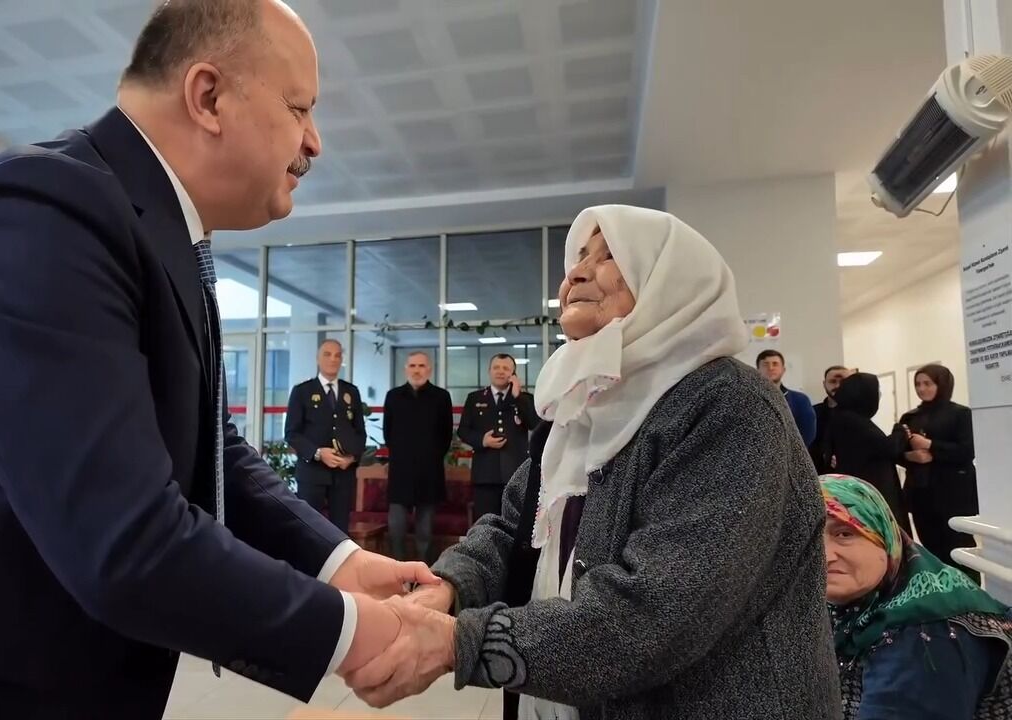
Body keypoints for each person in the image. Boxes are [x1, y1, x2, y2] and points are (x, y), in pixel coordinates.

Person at [0, 2, 435, 717]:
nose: (314, 141)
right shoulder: (39, 210)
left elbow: (208, 450)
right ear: (209, 97)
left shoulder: (148, 230)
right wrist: (352, 633)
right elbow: (122, 537)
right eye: (299, 108)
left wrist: (342, 565)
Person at [341, 205, 841, 719]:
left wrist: (458, 641)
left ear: (666, 282)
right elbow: (514, 527)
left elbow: (655, 614)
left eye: (608, 257)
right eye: (579, 256)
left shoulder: (729, 407)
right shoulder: (586, 404)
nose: (575, 272)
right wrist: (448, 586)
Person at [820, 474, 1012, 719]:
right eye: (812, 538)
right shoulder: (863, 599)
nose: (825, 556)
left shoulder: (925, 634)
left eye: (844, 534)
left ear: (885, 538)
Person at [894, 364, 980, 580]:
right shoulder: (910, 417)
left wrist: (931, 445)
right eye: (917, 384)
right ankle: (941, 594)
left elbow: (967, 451)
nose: (921, 389)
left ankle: (970, 598)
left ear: (942, 384)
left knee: (959, 547)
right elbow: (895, 451)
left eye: (927, 383)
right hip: (922, 493)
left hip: (954, 495)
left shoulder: (960, 414)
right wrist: (910, 456)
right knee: (931, 547)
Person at [287, 340, 367, 532]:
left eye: (337, 355)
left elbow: (360, 432)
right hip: (312, 473)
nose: (333, 359)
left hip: (343, 475)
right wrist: (317, 453)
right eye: (327, 354)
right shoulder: (302, 391)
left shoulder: (351, 391)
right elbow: (292, 433)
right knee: (309, 528)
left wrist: (352, 457)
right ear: (317, 359)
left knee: (340, 532)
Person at [382, 352, 453, 562]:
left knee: (425, 533)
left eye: (421, 365)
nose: (417, 370)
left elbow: (446, 436)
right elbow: (388, 433)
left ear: (429, 369)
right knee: (396, 530)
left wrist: (428, 457)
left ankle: (423, 576)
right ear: (406, 369)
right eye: (412, 365)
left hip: (429, 473)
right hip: (400, 473)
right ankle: (398, 575)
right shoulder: (393, 396)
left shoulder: (441, 397)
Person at [825, 372, 911, 533]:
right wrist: (900, 431)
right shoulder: (852, 420)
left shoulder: (844, 416)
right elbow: (887, 448)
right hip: (870, 489)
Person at [457, 354, 540, 520]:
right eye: (496, 367)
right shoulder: (475, 398)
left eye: (506, 368)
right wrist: (482, 440)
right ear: (489, 371)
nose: (500, 372)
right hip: (485, 475)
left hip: (515, 474)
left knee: (515, 524)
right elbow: (463, 431)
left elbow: (534, 424)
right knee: (485, 524)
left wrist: (518, 397)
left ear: (513, 374)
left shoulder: (525, 399)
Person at [757, 349, 818, 445]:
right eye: (765, 364)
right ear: (757, 370)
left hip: (791, 456)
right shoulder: (748, 399)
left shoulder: (800, 400)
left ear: (783, 370)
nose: (771, 368)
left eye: (775, 364)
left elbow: (808, 433)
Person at [811, 365, 853, 473]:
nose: (838, 385)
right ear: (824, 384)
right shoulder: (813, 413)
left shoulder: (859, 414)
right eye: (833, 381)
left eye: (843, 381)